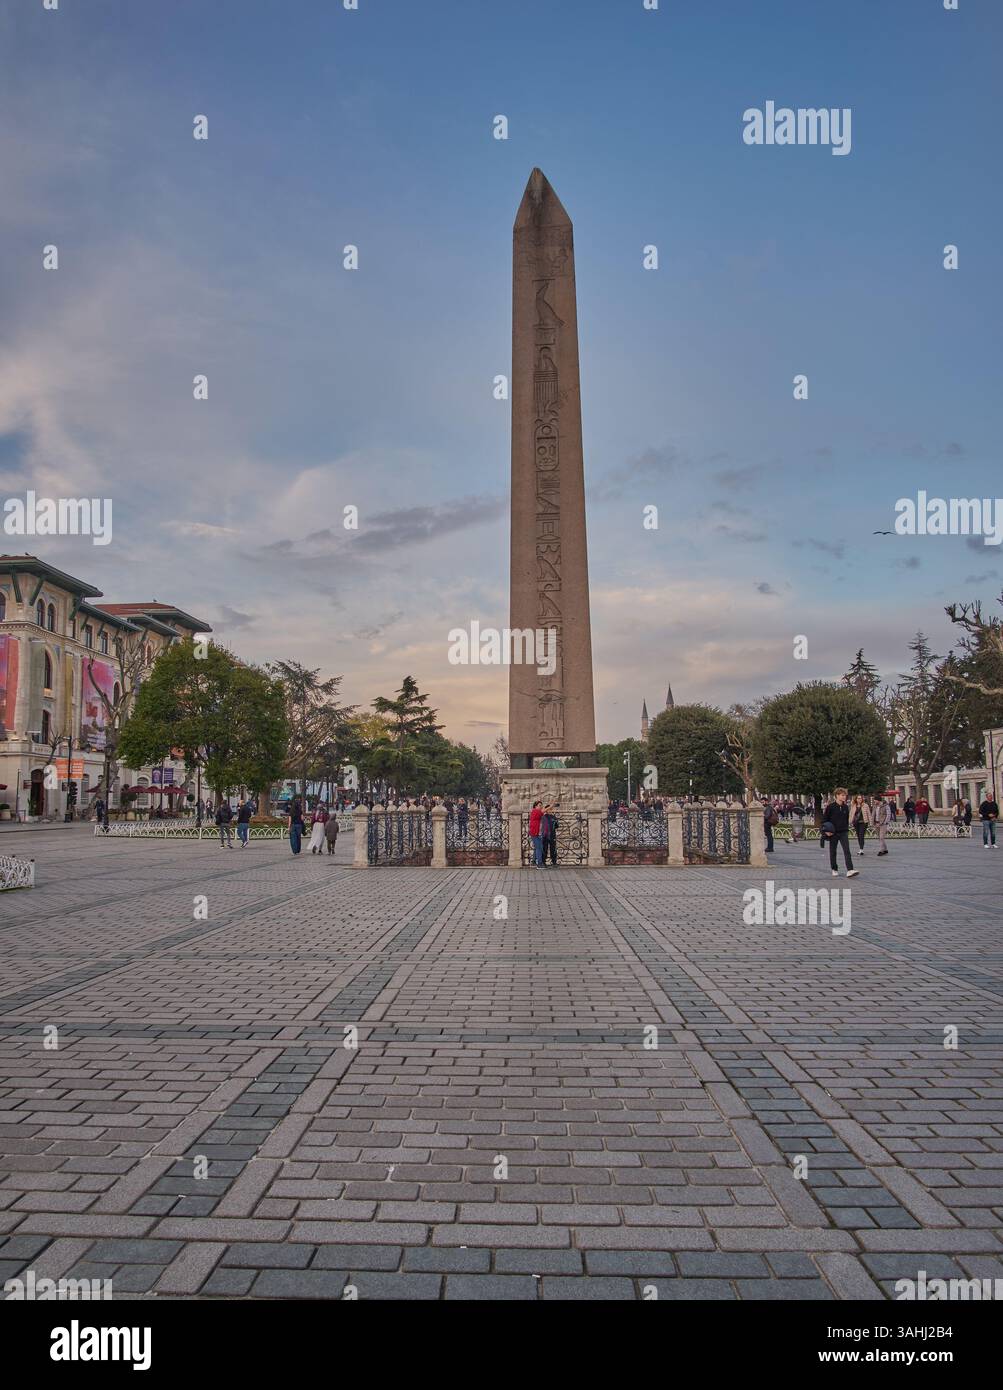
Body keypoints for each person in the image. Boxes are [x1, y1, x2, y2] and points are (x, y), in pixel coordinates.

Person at [821, 788, 859, 878]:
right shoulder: (830, 807)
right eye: (842, 795)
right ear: (837, 796)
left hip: (843, 832)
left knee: (847, 851)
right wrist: (826, 831)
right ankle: (834, 869)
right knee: (833, 851)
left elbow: (847, 820)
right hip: (833, 833)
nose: (844, 797)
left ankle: (850, 870)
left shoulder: (846, 807)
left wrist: (849, 825)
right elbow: (824, 820)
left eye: (845, 795)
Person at [528, 800, 545, 868]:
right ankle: (539, 864)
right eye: (539, 806)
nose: (541, 807)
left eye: (541, 805)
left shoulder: (536, 812)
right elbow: (542, 812)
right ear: (535, 806)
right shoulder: (535, 811)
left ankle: (534, 862)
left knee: (537, 847)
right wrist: (551, 806)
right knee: (539, 848)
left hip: (537, 832)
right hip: (535, 833)